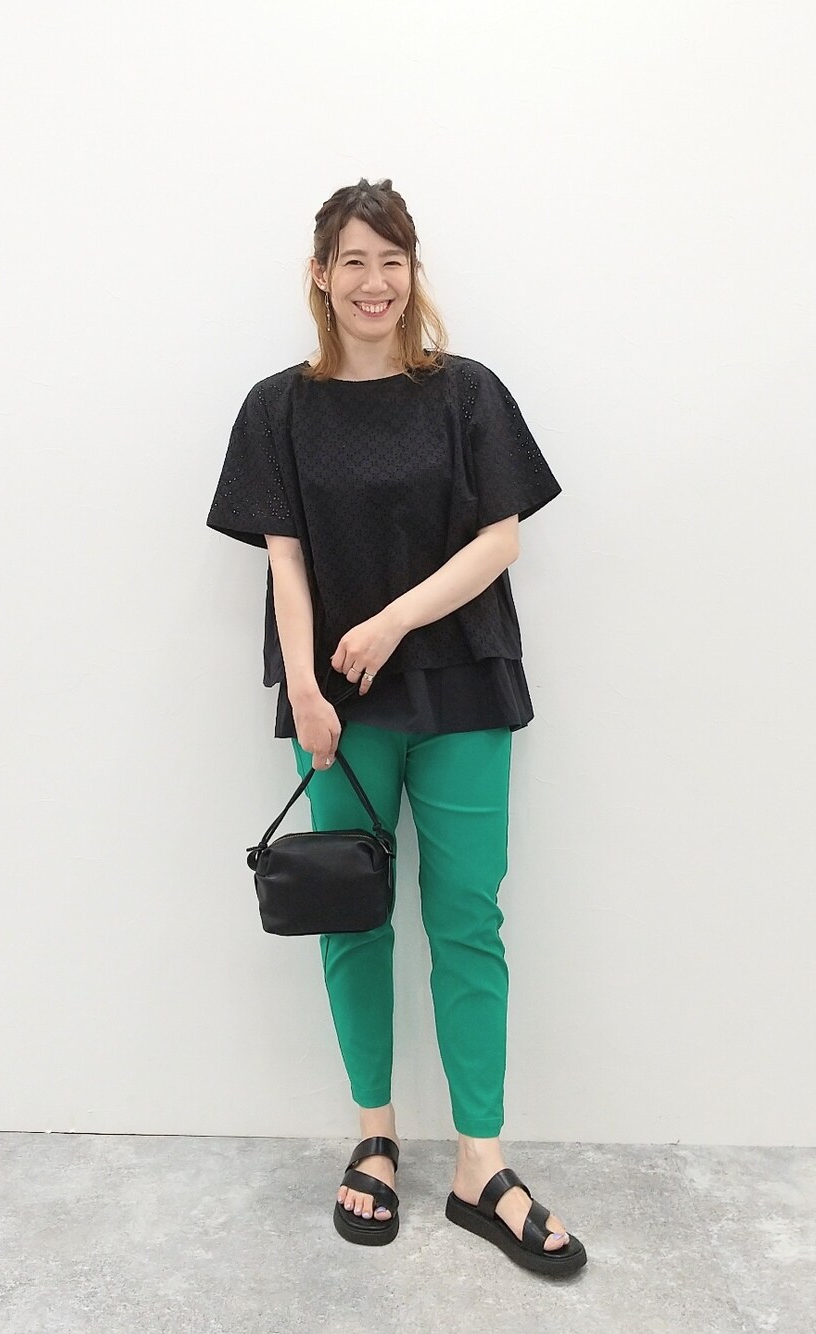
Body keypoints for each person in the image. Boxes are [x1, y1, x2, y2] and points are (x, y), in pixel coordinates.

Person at [206, 178, 587, 1278]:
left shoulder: (465, 393)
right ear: (320, 275)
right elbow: (283, 559)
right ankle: (373, 1134)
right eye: (354, 261)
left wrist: (389, 620)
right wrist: (305, 687)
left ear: (413, 273)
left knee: (468, 918)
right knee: (351, 913)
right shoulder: (277, 408)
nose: (374, 282)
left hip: (463, 683)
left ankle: (480, 1164)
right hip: (335, 699)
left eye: (393, 260)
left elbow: (500, 540)